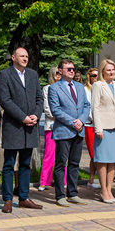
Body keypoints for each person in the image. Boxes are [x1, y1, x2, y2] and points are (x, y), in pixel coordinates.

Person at [0, 47, 43, 213]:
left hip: (30, 127)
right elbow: (5, 100)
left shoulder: (32, 74)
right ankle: (8, 199)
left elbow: (39, 98)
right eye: (22, 56)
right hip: (14, 126)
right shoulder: (4, 75)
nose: (25, 58)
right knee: (9, 165)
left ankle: (24, 198)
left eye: (27, 56)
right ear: (13, 57)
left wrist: (36, 115)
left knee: (25, 164)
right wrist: (23, 117)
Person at [48, 59, 91, 206]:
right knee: (61, 164)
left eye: (73, 68)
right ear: (60, 71)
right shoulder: (54, 88)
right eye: (68, 69)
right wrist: (73, 122)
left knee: (74, 163)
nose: (72, 71)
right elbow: (56, 110)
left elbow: (86, 105)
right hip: (64, 131)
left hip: (79, 131)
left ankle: (73, 193)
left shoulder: (79, 87)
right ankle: (60, 195)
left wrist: (81, 120)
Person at [91, 59, 115, 203]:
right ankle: (103, 191)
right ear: (102, 72)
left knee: (113, 161)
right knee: (103, 160)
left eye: (113, 69)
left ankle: (110, 189)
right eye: (108, 70)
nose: (111, 72)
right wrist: (98, 128)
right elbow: (95, 108)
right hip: (103, 128)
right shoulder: (98, 85)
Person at [39, 67, 64, 191]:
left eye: (60, 74)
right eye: (57, 74)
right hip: (52, 125)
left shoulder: (65, 87)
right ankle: (44, 181)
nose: (59, 76)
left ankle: (62, 181)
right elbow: (47, 108)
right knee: (49, 154)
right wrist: (60, 116)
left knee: (63, 155)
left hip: (64, 125)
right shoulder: (47, 88)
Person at [83, 67, 100, 191]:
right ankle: (92, 179)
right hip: (91, 124)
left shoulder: (100, 87)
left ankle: (91, 179)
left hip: (102, 125)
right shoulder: (85, 90)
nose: (96, 78)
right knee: (94, 154)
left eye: (97, 76)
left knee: (99, 154)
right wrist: (96, 119)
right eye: (93, 76)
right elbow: (87, 108)